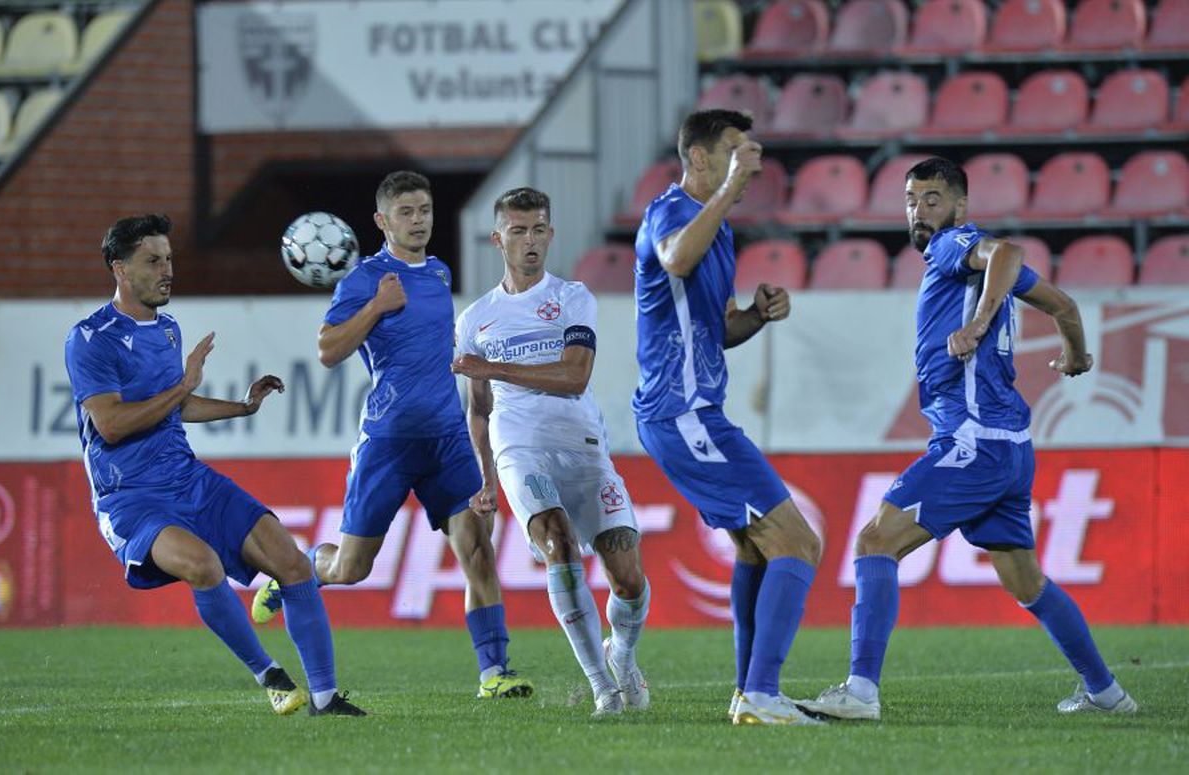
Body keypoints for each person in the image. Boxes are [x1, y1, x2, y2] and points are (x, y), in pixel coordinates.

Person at [798, 157, 1138, 721]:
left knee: (875, 542)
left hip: (974, 440)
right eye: (911, 200)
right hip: (1010, 445)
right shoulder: (969, 261)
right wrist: (1076, 354)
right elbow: (1064, 305)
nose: (919, 211)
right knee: (1027, 582)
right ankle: (1106, 693)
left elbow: (1007, 251)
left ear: (960, 206)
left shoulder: (953, 245)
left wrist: (978, 324)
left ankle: (860, 692)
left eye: (932, 199)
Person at [65, 214, 364, 717]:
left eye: (169, 259)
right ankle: (268, 674)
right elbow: (112, 425)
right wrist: (182, 386)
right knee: (202, 566)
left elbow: (176, 407)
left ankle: (325, 698)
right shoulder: (91, 339)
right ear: (119, 268)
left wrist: (241, 407)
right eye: (153, 261)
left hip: (188, 478)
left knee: (292, 563)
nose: (167, 270)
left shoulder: (167, 329)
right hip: (131, 498)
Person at [251, 172, 533, 700]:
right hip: (389, 441)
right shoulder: (364, 281)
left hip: (447, 438)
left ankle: (495, 672)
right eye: (406, 212)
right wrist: (376, 307)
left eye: (425, 210)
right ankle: (299, 568)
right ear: (382, 221)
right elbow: (328, 350)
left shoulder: (439, 272)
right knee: (351, 568)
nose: (418, 220)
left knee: (477, 548)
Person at [632, 109, 822, 726]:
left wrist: (757, 316)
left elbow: (718, 329)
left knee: (756, 550)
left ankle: (747, 693)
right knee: (798, 542)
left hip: (695, 412)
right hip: (681, 414)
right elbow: (674, 259)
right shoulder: (670, 212)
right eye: (735, 152)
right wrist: (732, 185)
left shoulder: (719, 228)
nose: (750, 165)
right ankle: (763, 694)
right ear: (700, 158)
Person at [451, 187, 651, 717]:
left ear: (551, 234)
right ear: (498, 240)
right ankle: (602, 688)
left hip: (582, 446)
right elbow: (479, 409)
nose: (530, 241)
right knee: (558, 543)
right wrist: (486, 479)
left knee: (627, 576)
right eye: (518, 231)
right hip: (519, 448)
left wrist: (492, 367)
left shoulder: (572, 297)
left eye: (538, 229)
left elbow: (574, 376)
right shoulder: (474, 319)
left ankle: (621, 655)